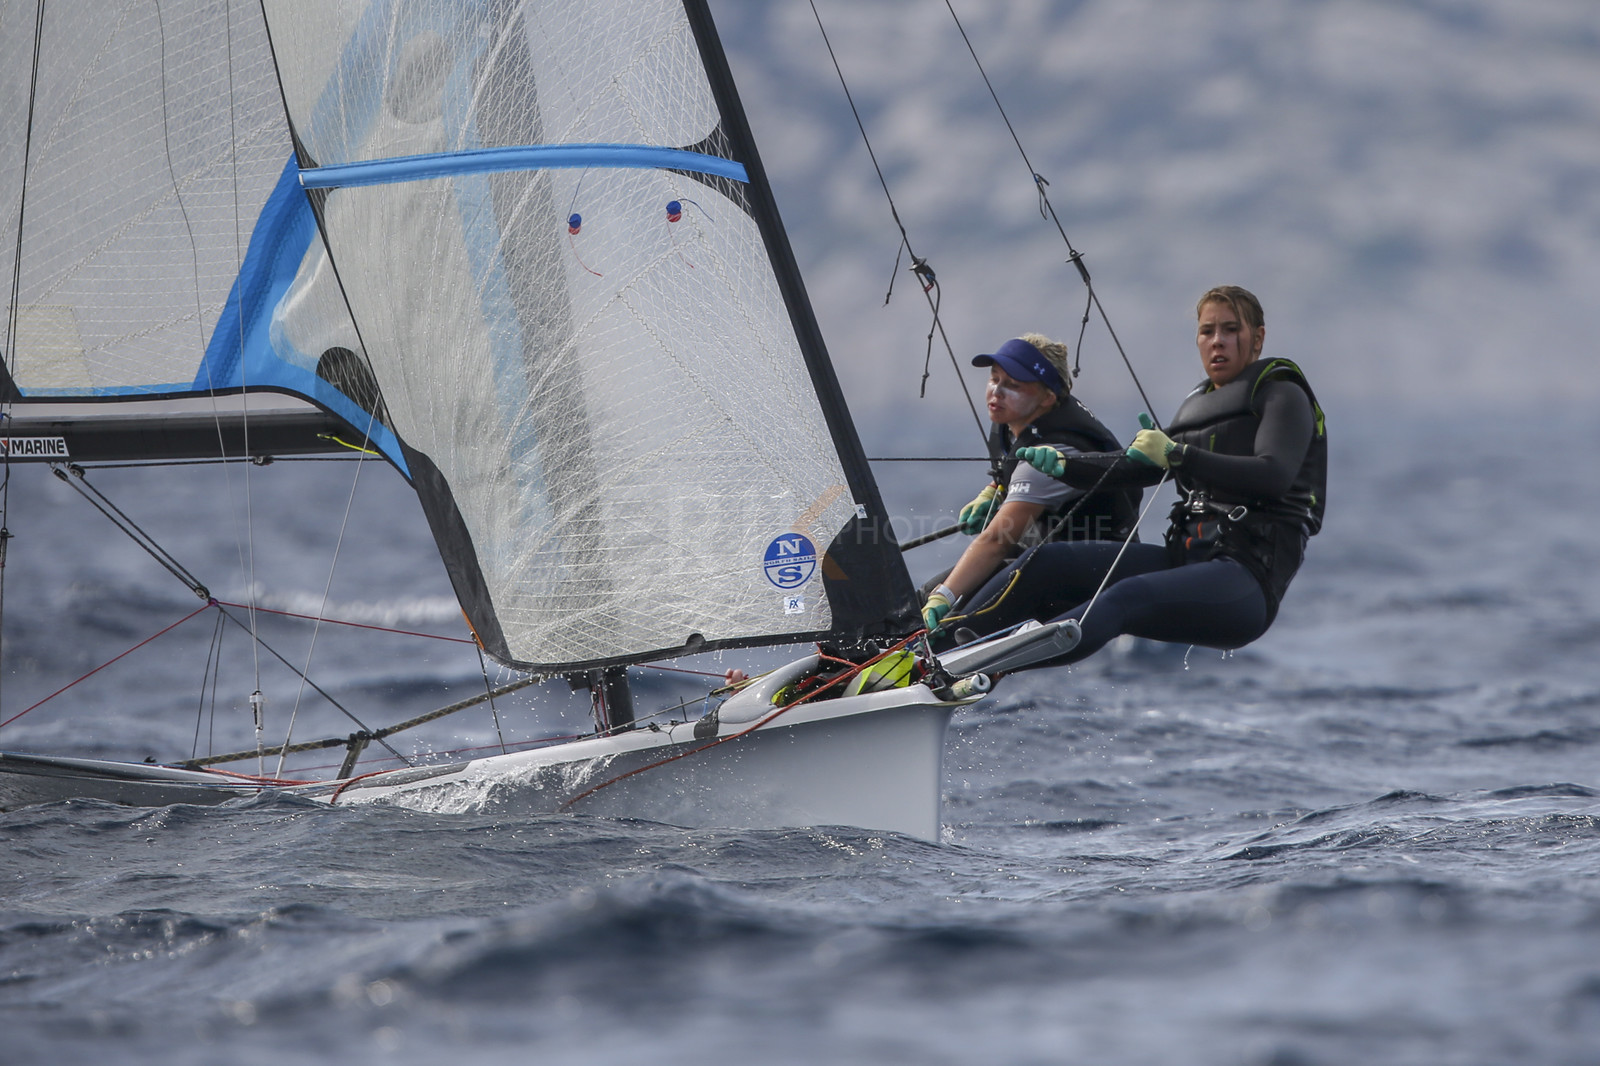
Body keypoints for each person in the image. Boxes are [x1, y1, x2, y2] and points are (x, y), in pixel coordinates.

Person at [926, 286, 1325, 667]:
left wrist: (1180, 455)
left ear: (1258, 338)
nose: (1217, 341)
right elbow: (1140, 466)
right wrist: (1067, 467)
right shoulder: (1198, 407)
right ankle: (933, 649)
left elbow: (1274, 475)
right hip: (1184, 560)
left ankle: (956, 667)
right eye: (1207, 331)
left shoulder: (1281, 394)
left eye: (1230, 330)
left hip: (1246, 579)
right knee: (1043, 564)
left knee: (1120, 598)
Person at [919, 333, 1139, 631]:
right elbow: (1008, 472)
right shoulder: (1011, 422)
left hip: (1097, 569)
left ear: (1047, 397)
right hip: (1042, 552)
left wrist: (945, 596)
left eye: (1013, 385)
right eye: (994, 379)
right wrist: (993, 492)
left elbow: (997, 540)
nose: (997, 392)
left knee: (953, 611)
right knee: (919, 601)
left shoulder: (1054, 451)